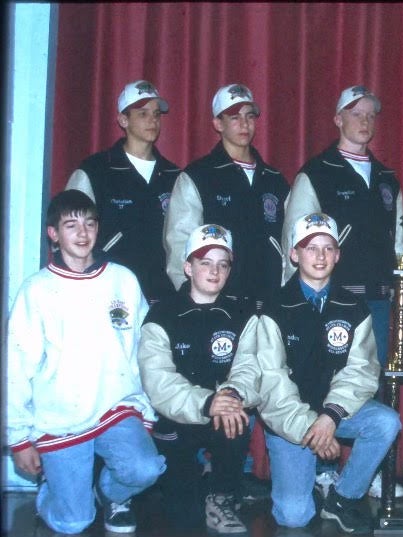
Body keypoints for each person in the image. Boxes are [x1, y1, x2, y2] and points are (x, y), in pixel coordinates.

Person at [222, 213, 401, 534]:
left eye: (328, 248)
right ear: (293, 254)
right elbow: (272, 383)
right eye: (310, 248)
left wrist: (330, 417)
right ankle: (308, 484)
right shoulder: (272, 308)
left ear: (338, 255)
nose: (320, 256)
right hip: (290, 420)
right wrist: (312, 429)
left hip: (335, 413)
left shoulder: (354, 306)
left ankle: (342, 499)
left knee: (386, 422)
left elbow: (362, 371)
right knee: (294, 516)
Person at [6, 190, 165, 535]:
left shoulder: (122, 279)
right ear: (53, 234)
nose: (82, 233)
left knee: (145, 468)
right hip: (61, 417)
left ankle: (110, 494)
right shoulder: (36, 290)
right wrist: (18, 439)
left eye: (89, 223)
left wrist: (146, 412)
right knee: (73, 522)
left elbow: (144, 352)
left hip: (115, 406)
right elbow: (16, 369)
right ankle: (55, 492)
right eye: (71, 225)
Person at [137, 224, 259, 534]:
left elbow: (251, 366)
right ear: (188, 267)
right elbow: (159, 381)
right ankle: (194, 479)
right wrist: (206, 402)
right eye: (205, 262)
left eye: (223, 264)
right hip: (176, 419)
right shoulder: (161, 316)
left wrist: (231, 394)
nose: (215, 271)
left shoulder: (242, 314)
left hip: (224, 416)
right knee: (185, 520)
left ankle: (221, 495)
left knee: (237, 417)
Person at [281, 85, 403, 368]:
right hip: (330, 300)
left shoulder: (387, 178)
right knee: (324, 381)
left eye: (370, 115)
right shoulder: (316, 173)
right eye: (356, 114)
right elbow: (294, 238)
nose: (364, 121)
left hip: (378, 302)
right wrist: (294, 299)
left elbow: (400, 243)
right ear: (338, 119)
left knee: (373, 385)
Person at [164, 83, 290, 308]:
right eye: (234, 117)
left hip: (271, 303)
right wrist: (190, 302)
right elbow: (179, 243)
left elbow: (291, 241)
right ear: (218, 124)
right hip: (218, 304)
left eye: (249, 116)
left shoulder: (274, 179)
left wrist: (288, 293)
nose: (244, 124)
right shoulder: (199, 176)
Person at [66, 79, 180, 304]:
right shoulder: (95, 171)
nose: (152, 121)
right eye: (143, 114)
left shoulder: (173, 175)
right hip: (108, 291)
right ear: (123, 120)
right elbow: (69, 232)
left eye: (156, 114)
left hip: (162, 295)